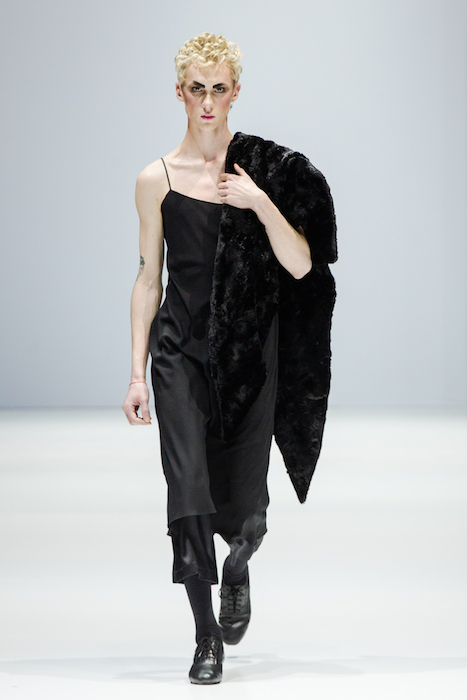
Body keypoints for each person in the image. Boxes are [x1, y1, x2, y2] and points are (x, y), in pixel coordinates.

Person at [122, 32, 337, 685]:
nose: (208, 102)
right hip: (178, 355)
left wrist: (259, 202)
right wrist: (136, 373)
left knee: (246, 510)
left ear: (235, 91)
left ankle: (238, 564)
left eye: (219, 88)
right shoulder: (155, 180)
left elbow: (301, 265)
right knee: (186, 489)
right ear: (180, 92)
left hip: (247, 359)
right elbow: (147, 279)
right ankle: (205, 636)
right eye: (198, 89)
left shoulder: (261, 174)